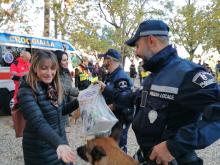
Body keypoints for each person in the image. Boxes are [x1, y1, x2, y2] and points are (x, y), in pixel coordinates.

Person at [98, 19, 220, 165]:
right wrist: (106, 90)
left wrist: (174, 146)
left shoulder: (188, 73)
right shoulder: (154, 76)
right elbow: (132, 98)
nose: (136, 52)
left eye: (137, 46)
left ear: (151, 40)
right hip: (148, 156)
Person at [17, 50, 79, 165]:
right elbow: (38, 122)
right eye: (44, 68)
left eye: (53, 68)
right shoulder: (26, 90)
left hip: (59, 144)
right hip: (41, 151)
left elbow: (60, 111)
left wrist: (79, 101)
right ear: (35, 68)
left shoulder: (52, 86)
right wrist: (58, 144)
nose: (49, 73)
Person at [100, 48, 135, 153]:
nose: (103, 61)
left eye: (104, 59)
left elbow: (126, 101)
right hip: (112, 117)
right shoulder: (111, 75)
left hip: (121, 118)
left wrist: (110, 106)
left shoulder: (121, 77)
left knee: (118, 147)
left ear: (109, 60)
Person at [54, 50, 79, 126]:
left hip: (65, 107)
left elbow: (69, 90)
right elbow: (65, 89)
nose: (67, 62)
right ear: (57, 61)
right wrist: (81, 93)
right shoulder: (54, 73)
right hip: (56, 107)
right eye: (64, 60)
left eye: (67, 59)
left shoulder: (66, 72)